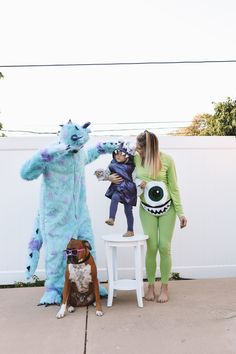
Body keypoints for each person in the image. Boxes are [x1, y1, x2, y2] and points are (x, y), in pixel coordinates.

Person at [108, 131, 187, 302]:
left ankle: (164, 287)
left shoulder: (167, 160)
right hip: (146, 208)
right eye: (137, 148)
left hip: (168, 209)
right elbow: (118, 165)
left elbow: (174, 188)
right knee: (151, 247)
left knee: (164, 247)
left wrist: (181, 213)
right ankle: (150, 286)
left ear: (150, 149)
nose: (138, 151)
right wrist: (110, 178)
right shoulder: (135, 159)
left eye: (141, 149)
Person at [95, 141, 137, 237]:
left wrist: (140, 185)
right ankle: (111, 218)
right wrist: (108, 177)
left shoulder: (132, 166)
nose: (118, 156)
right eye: (116, 153)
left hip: (129, 190)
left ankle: (130, 230)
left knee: (128, 210)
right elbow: (103, 174)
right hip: (118, 188)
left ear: (127, 156)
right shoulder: (113, 165)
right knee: (115, 197)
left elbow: (136, 178)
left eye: (121, 154)